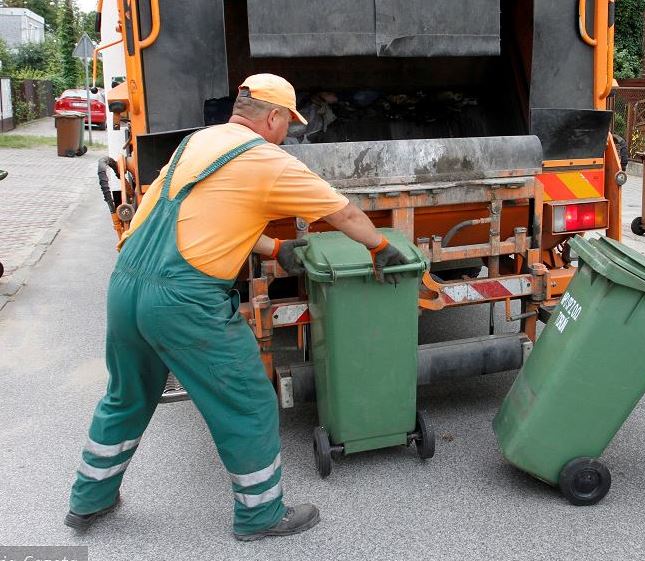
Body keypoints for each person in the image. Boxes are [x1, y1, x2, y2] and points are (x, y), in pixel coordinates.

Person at [65, 74, 409, 541]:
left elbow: (200, 213)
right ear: (273, 117)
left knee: (126, 396)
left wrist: (274, 250)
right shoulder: (268, 159)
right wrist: (381, 246)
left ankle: (89, 500)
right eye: (288, 123)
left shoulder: (196, 144)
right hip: (184, 301)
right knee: (248, 402)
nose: (288, 133)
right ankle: (261, 514)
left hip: (126, 285)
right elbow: (342, 213)